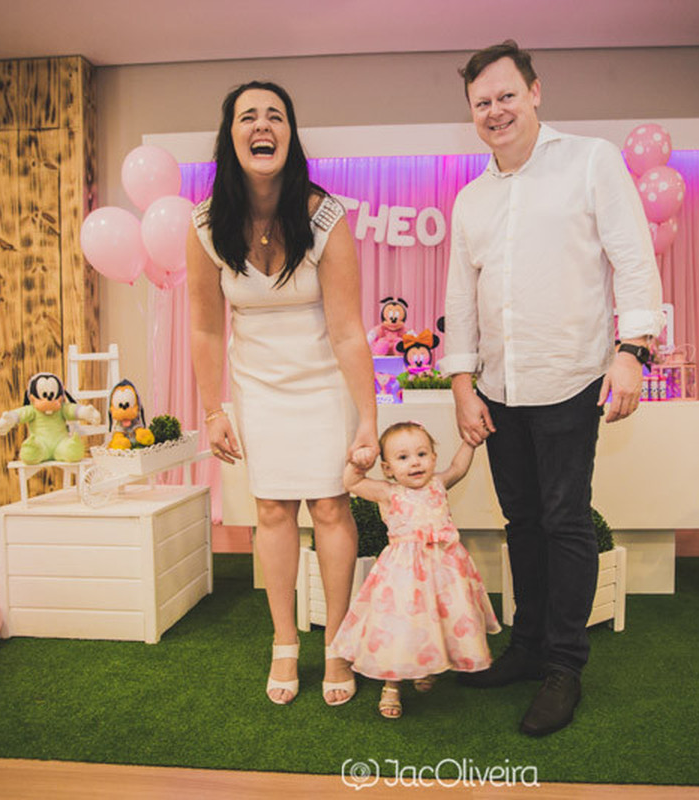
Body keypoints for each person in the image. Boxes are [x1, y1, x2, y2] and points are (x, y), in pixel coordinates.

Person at [438, 41, 663, 736]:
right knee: (522, 522)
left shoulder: (591, 161)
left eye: (507, 95)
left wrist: (633, 350)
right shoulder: (471, 198)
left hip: (570, 378)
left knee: (565, 521)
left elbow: (634, 259)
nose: (496, 111)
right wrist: (462, 383)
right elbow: (461, 298)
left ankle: (565, 665)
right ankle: (528, 647)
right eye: (482, 102)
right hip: (498, 388)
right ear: (472, 112)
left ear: (535, 92)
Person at [187, 80, 378, 707]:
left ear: (290, 135)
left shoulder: (325, 216)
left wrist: (368, 418)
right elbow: (205, 327)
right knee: (271, 511)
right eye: (248, 116)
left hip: (324, 382)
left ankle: (339, 643)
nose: (262, 125)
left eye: (275, 116)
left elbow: (348, 331)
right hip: (259, 387)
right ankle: (284, 640)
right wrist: (213, 410)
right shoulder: (205, 224)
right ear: (231, 136)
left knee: (330, 508)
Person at [330, 422, 501, 719]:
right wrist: (358, 463)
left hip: (444, 572)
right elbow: (351, 483)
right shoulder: (388, 492)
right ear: (387, 468)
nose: (415, 463)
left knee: (438, 621)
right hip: (403, 577)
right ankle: (392, 686)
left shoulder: (438, 483)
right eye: (403, 457)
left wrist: (470, 443)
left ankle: (427, 666)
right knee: (401, 628)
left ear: (433, 458)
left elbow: (458, 468)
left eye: (422, 454)